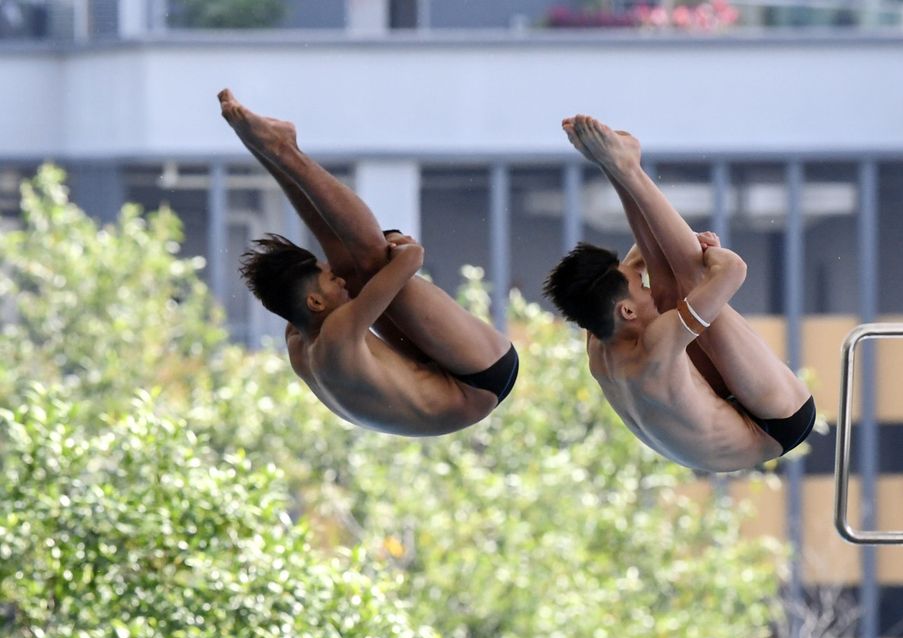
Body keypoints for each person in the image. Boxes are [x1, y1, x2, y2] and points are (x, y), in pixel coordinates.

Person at [218, 89, 517, 436]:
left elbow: (345, 267)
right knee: (372, 260)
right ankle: (282, 150)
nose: (339, 281)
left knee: (352, 266)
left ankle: (274, 152)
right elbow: (411, 259)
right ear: (314, 301)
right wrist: (400, 246)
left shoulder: (300, 339)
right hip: (480, 379)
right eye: (329, 282)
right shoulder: (336, 334)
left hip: (436, 377)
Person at [544, 115, 814, 472]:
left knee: (668, 287)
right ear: (625, 311)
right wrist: (711, 251)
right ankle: (627, 168)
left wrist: (618, 175)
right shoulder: (655, 345)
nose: (644, 284)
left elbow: (640, 259)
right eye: (637, 286)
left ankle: (622, 167)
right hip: (776, 424)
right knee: (686, 282)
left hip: (712, 417)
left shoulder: (600, 335)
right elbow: (732, 270)